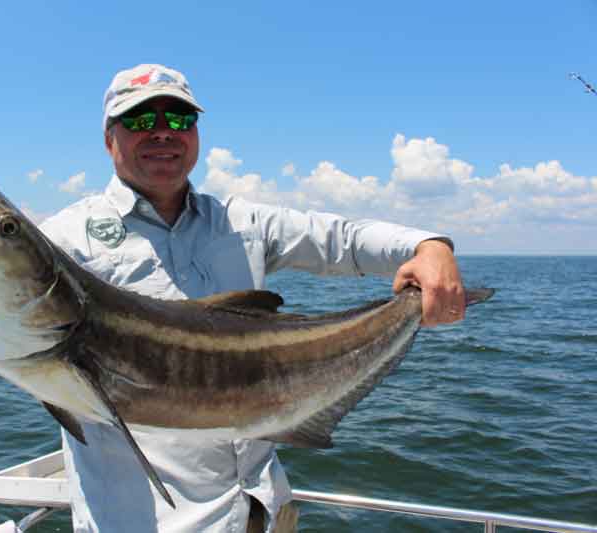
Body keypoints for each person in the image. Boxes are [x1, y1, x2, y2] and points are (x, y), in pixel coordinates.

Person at [39, 63, 465, 533]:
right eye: (140, 120)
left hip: (262, 514)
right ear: (108, 138)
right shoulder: (63, 242)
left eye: (179, 120)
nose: (163, 133)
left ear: (197, 135)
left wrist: (429, 246)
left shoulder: (241, 222)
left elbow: (338, 238)